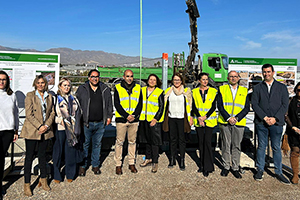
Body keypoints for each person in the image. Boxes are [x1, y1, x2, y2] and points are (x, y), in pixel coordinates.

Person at [252, 64, 290, 184]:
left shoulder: (282, 87)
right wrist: (264, 117)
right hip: (261, 123)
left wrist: (275, 118)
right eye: (264, 72)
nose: (266, 74)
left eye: (268, 72)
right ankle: (260, 169)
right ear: (262, 73)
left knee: (276, 147)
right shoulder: (257, 88)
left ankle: (278, 172)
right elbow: (255, 104)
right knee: (261, 146)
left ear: (273, 72)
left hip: (276, 123)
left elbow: (285, 105)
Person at [20, 75, 55, 196]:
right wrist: (40, 126)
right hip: (32, 131)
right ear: (35, 84)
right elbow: (29, 114)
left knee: (42, 156)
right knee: (29, 157)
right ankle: (27, 184)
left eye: (43, 83)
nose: (40, 85)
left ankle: (43, 180)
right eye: (38, 83)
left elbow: (52, 112)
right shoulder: (30, 95)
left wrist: (46, 126)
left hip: (45, 131)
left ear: (46, 84)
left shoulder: (50, 96)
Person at [76, 69, 113, 176]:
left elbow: (109, 104)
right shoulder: (82, 89)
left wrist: (109, 116)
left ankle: (95, 165)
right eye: (92, 76)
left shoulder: (104, 88)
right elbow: (77, 104)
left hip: (101, 122)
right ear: (88, 78)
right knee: (85, 145)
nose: (95, 78)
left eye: (96, 76)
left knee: (97, 145)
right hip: (86, 123)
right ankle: (83, 166)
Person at [217, 71, 250, 179]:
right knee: (226, 145)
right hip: (225, 122)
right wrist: (228, 118)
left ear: (239, 78)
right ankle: (226, 166)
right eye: (231, 76)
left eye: (235, 76)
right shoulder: (222, 89)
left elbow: (246, 108)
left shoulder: (244, 91)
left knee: (236, 146)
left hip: (238, 122)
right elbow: (220, 106)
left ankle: (235, 167)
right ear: (228, 78)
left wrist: (236, 118)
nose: (233, 78)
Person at [52, 78, 82, 183]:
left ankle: (70, 173)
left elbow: (79, 112)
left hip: (72, 130)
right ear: (60, 86)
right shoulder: (55, 98)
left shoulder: (74, 98)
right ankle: (56, 175)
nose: (66, 87)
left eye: (68, 85)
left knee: (70, 152)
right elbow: (52, 115)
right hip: (60, 128)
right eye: (64, 85)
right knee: (58, 152)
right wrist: (60, 120)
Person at [114, 69, 142, 175]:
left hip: (134, 120)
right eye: (127, 76)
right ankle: (118, 164)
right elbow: (117, 104)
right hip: (122, 120)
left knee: (132, 142)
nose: (129, 78)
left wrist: (133, 116)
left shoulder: (138, 88)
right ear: (123, 77)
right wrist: (126, 116)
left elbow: (140, 104)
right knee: (119, 142)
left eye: (131, 76)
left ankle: (131, 163)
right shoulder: (117, 88)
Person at [163, 72, 193, 171]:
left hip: (182, 119)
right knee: (172, 140)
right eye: (175, 80)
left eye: (178, 80)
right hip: (171, 118)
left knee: (182, 140)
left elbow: (190, 106)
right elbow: (164, 105)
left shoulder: (186, 91)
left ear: (181, 81)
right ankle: (172, 159)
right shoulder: (168, 91)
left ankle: (182, 160)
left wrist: (190, 117)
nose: (176, 82)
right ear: (172, 81)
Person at [192, 73, 217, 177]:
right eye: (203, 79)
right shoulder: (194, 92)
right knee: (201, 143)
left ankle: (208, 166)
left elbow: (213, 106)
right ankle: (202, 165)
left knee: (207, 142)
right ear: (199, 81)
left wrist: (205, 117)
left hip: (209, 120)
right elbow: (193, 106)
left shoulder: (213, 91)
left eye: (206, 79)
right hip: (199, 121)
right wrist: (199, 117)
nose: (205, 81)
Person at [138, 74, 164, 173]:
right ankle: (148, 158)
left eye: (154, 80)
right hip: (144, 119)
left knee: (155, 142)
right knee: (147, 140)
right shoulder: (142, 90)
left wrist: (156, 118)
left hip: (154, 121)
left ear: (157, 82)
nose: (152, 81)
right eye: (150, 79)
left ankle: (155, 162)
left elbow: (161, 107)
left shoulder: (159, 92)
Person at [0, 71, 18, 200]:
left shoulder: (12, 95)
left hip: (8, 131)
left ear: (7, 81)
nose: (1, 82)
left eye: (4, 79)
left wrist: (16, 130)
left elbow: (16, 113)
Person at [284, 82, 300, 184]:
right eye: (298, 90)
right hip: (294, 130)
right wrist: (292, 127)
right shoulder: (291, 101)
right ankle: (295, 174)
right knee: (295, 152)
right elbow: (286, 115)